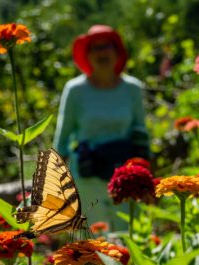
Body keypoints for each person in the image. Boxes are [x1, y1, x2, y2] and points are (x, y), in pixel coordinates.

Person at [53, 25, 149, 231]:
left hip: (125, 174)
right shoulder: (75, 90)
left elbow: (140, 132)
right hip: (88, 173)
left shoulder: (132, 88)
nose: (102, 53)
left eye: (106, 46)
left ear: (117, 52)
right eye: (95, 48)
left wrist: (147, 172)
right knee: (96, 236)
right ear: (87, 56)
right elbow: (62, 138)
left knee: (130, 231)